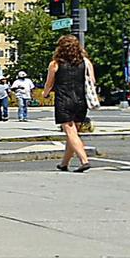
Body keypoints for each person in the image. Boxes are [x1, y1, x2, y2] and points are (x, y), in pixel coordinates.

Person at [44, 34, 93, 172]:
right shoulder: (86, 62)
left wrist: (45, 93)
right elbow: (92, 81)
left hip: (64, 101)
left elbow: (49, 83)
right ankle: (64, 163)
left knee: (71, 132)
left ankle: (84, 160)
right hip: (80, 100)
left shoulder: (55, 64)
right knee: (74, 133)